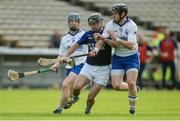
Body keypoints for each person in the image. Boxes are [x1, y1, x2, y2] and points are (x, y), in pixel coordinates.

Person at [56, 13, 112, 114]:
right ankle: (75, 98)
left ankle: (88, 108)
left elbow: (112, 44)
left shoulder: (107, 34)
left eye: (95, 24)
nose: (93, 26)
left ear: (101, 23)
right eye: (91, 24)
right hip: (89, 66)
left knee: (90, 98)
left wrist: (99, 46)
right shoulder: (87, 34)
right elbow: (75, 45)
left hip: (103, 69)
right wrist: (66, 55)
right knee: (76, 88)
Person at [94, 4, 140, 115]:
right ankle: (134, 88)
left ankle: (132, 108)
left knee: (130, 82)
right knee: (116, 86)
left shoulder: (131, 26)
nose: (113, 15)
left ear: (123, 14)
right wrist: (96, 49)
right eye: (113, 13)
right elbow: (102, 39)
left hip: (131, 57)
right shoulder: (110, 25)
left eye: (115, 13)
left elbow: (131, 46)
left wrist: (117, 39)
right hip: (118, 57)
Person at [51, 13, 88, 114]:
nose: (73, 23)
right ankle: (75, 96)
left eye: (76, 21)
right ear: (68, 23)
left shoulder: (85, 35)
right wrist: (56, 64)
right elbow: (61, 55)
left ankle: (59, 108)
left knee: (65, 84)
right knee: (71, 92)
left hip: (81, 64)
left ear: (79, 23)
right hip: (70, 65)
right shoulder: (64, 39)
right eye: (71, 21)